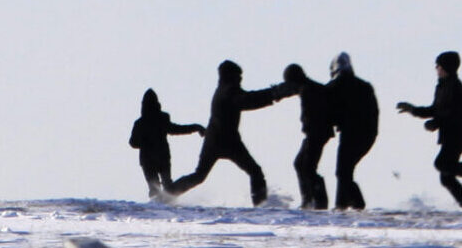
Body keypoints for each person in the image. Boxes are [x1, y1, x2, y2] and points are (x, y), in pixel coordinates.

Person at [166, 60, 288, 206]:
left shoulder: (222, 89)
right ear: (231, 76)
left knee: (199, 175)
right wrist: (274, 93)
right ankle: (260, 206)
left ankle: (168, 194)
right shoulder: (229, 91)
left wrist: (273, 94)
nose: (241, 79)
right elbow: (248, 100)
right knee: (255, 172)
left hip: (215, 139)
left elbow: (248, 99)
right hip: (227, 141)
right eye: (239, 75)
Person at [395, 50, 462, 210]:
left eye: (438, 65)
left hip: (459, 134)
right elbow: (435, 110)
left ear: (445, 67)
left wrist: (436, 123)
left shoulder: (455, 88)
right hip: (452, 134)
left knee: (442, 163)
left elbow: (452, 113)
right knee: (446, 177)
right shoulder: (443, 86)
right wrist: (413, 110)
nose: (436, 68)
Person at [279, 63, 337, 210]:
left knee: (307, 166)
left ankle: (317, 202)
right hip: (316, 132)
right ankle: (309, 199)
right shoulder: (308, 87)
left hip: (317, 133)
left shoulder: (308, 90)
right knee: (301, 163)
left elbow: (314, 114)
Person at [325, 52, 378, 211]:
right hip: (368, 134)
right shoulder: (365, 86)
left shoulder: (334, 86)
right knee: (345, 171)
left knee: (343, 171)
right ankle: (345, 203)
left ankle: (351, 204)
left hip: (350, 134)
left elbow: (329, 111)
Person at [127, 88, 203, 199]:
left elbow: (133, 143)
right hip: (162, 156)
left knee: (154, 188)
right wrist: (195, 127)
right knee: (168, 185)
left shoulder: (139, 123)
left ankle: (157, 208)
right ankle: (167, 206)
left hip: (147, 159)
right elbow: (176, 129)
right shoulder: (162, 118)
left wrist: (144, 142)